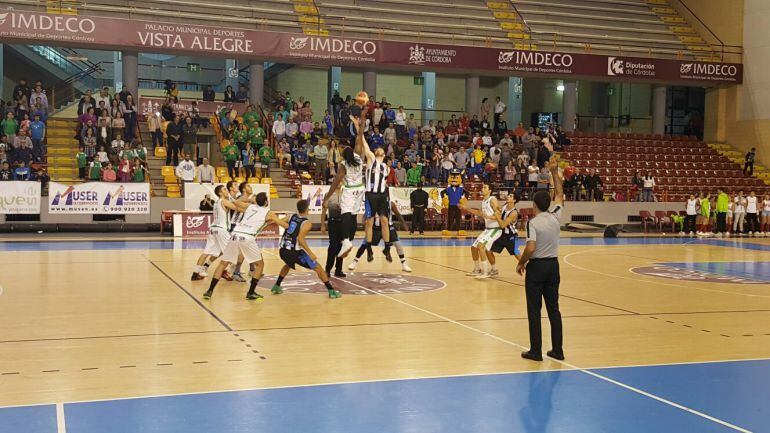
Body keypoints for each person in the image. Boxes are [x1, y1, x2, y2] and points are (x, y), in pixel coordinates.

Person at [516, 155, 564, 362]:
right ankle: (558, 350)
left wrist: (522, 261)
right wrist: (554, 171)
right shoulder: (555, 216)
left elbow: (531, 247)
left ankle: (536, 351)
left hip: (537, 268)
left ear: (534, 204)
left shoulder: (533, 223)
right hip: (553, 266)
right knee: (554, 309)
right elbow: (560, 194)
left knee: (534, 310)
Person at [203, 189, 288, 300]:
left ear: (256, 201)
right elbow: (283, 224)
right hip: (247, 237)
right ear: (266, 202)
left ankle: (209, 291)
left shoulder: (250, 207)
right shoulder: (269, 212)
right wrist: (287, 221)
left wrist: (249, 200)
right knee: (260, 265)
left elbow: (236, 202)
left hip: (234, 234)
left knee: (223, 263)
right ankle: (251, 292)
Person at [271, 199, 342, 299]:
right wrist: (311, 253)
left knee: (288, 264)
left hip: (283, 250)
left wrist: (271, 218)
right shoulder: (307, 223)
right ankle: (331, 291)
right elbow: (300, 239)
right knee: (319, 268)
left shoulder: (291, 216)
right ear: (307, 209)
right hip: (294, 252)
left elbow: (279, 222)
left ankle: (276, 286)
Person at [323, 111, 368, 258]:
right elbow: (360, 137)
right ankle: (350, 240)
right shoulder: (359, 157)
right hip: (361, 189)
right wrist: (359, 122)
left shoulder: (343, 165)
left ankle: (347, 241)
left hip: (350, 190)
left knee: (346, 215)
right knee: (353, 216)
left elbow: (335, 182)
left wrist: (327, 197)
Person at [349, 201, 412, 273]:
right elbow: (365, 215)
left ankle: (404, 263)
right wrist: (364, 222)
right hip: (375, 228)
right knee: (365, 244)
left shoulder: (390, 204)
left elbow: (397, 214)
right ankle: (355, 261)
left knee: (398, 245)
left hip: (388, 227)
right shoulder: (372, 204)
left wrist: (404, 224)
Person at [191, 185, 238, 280]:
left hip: (213, 229)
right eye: (224, 189)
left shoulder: (216, 202)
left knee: (208, 252)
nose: (227, 190)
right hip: (221, 229)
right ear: (220, 193)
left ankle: (196, 273)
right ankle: (225, 271)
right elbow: (237, 208)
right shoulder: (224, 201)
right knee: (231, 252)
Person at [462, 184, 501, 279]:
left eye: (485, 188)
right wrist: (466, 208)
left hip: (495, 229)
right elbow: (480, 213)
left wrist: (489, 217)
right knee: (473, 247)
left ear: (490, 190)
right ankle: (477, 269)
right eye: (482, 187)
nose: (482, 189)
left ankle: (486, 272)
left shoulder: (493, 200)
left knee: (481, 246)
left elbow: (499, 214)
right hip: (487, 230)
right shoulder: (484, 201)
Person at [321, 186, 346, 278]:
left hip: (343, 222)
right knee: (333, 246)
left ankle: (338, 270)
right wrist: (323, 224)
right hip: (333, 222)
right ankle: (327, 269)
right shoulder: (328, 194)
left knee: (341, 246)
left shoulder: (346, 194)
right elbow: (324, 209)